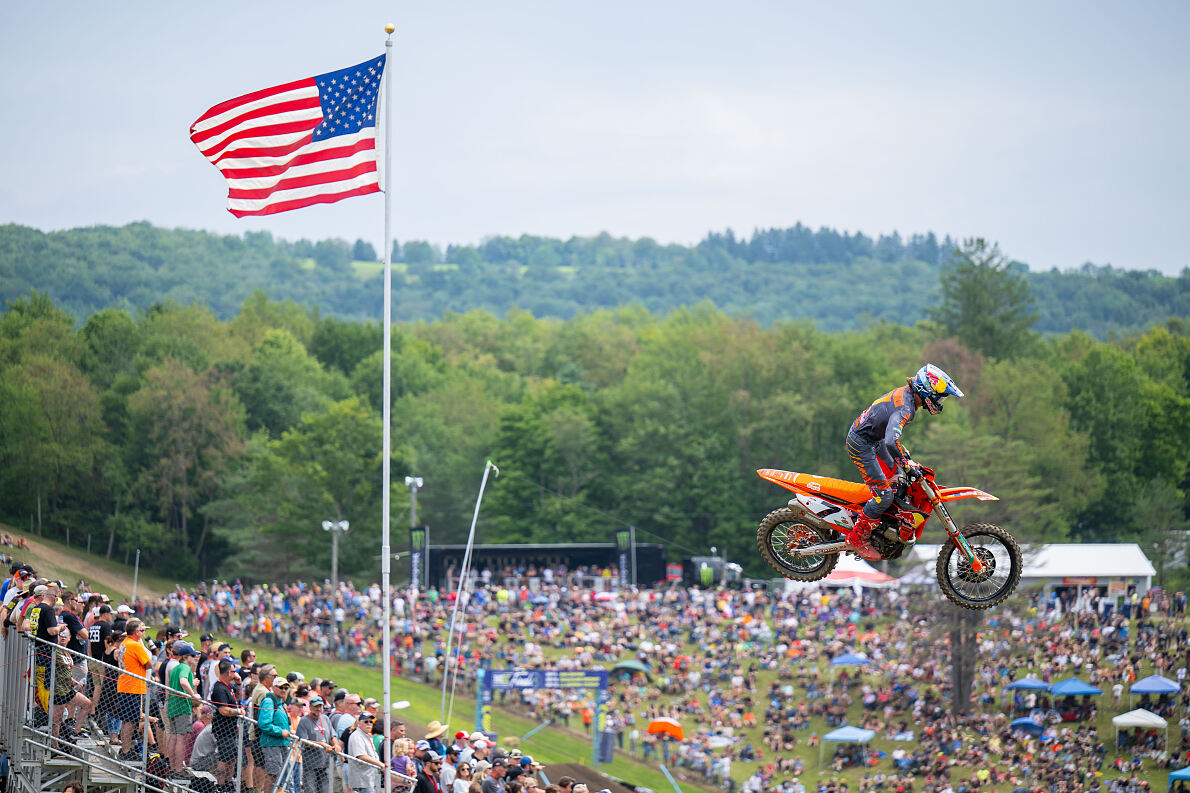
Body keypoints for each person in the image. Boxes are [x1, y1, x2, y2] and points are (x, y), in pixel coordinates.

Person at [844, 363, 963, 561]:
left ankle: (877, 525)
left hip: (874, 439)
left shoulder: (908, 396)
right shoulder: (905, 408)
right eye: (940, 396)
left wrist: (904, 460)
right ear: (927, 391)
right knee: (884, 496)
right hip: (862, 443)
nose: (940, 401)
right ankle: (857, 537)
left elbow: (890, 437)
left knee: (898, 481)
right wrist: (907, 464)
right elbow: (891, 440)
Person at [297, 695, 337, 793]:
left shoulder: (326, 719)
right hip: (310, 764)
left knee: (325, 790)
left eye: (320, 706)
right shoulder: (304, 721)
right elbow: (303, 741)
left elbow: (333, 736)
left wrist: (336, 745)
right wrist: (322, 744)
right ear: (310, 707)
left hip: (325, 763)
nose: (318, 709)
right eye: (316, 706)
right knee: (310, 790)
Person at [346, 713, 383, 793]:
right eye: (366, 722)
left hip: (369, 778)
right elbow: (361, 756)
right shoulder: (357, 736)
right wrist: (380, 764)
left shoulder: (366, 735)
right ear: (359, 723)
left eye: (371, 721)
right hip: (362, 780)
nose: (369, 724)